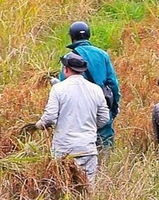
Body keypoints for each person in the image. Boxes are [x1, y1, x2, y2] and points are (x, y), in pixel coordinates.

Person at [32, 52, 112, 184]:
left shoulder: (58, 89)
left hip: (64, 150)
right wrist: (88, 126)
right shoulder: (96, 90)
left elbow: (50, 117)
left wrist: (38, 125)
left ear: (66, 69)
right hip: (87, 149)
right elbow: (104, 118)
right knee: (87, 189)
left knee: (64, 187)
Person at [64, 22, 121, 151]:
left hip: (78, 110)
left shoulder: (69, 58)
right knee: (104, 143)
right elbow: (113, 84)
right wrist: (114, 108)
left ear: (72, 37)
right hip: (101, 104)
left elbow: (64, 87)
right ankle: (105, 170)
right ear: (88, 36)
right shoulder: (102, 55)